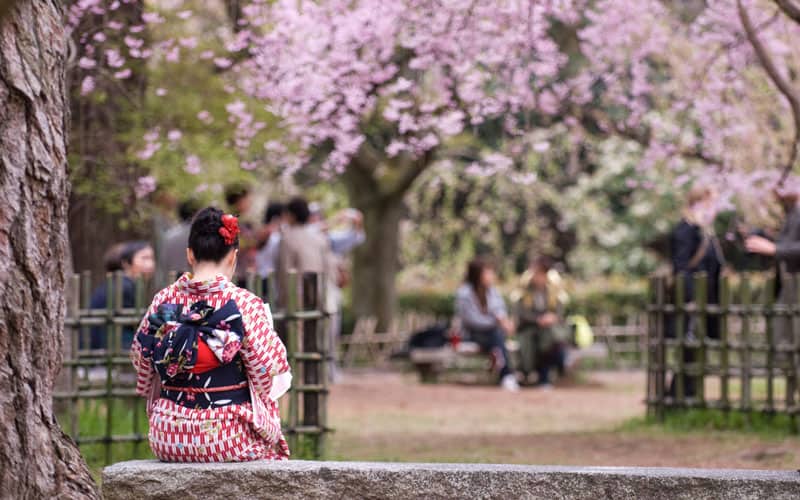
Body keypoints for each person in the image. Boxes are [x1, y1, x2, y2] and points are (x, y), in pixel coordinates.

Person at [131, 207, 292, 462]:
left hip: (168, 436)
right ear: (233, 257)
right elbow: (268, 373)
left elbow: (141, 361)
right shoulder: (243, 303)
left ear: (190, 254)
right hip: (225, 436)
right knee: (272, 450)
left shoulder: (163, 300)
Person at [668, 185, 724, 398]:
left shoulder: (704, 232)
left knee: (695, 351)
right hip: (692, 299)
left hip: (705, 298)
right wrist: (691, 298)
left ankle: (684, 394)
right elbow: (681, 268)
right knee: (689, 350)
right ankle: (679, 395)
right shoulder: (686, 230)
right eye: (711, 203)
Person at [746, 186, 800, 390]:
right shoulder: (792, 212)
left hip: (796, 287)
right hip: (789, 286)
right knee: (783, 342)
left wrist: (775, 249)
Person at [455, 258, 519, 391]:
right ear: (477, 274)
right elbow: (471, 320)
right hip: (471, 334)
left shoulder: (492, 292)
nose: (491, 275)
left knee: (497, 336)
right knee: (497, 335)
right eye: (487, 272)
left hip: (491, 334)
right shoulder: (464, 294)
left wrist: (504, 321)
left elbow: (499, 310)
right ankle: (507, 375)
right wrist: (496, 322)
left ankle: (505, 372)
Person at [89, 241, 155, 351]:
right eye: (144, 258)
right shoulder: (125, 287)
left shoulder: (118, 283)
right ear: (126, 263)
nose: (150, 264)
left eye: (151, 259)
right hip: (108, 349)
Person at [515, 256, 568, 388]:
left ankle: (544, 376)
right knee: (537, 341)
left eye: (539, 273)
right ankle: (532, 374)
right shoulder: (524, 290)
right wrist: (538, 319)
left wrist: (552, 317)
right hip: (528, 328)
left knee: (549, 340)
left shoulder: (553, 290)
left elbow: (560, 311)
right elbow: (520, 312)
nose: (536, 276)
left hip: (548, 330)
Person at [276, 197, 336, 308]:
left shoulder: (287, 238)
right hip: (320, 293)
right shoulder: (319, 237)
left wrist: (283, 300)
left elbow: (285, 270)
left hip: (297, 297)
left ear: (292, 215)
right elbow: (330, 267)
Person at [157, 199, 200, 280]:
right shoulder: (201, 234)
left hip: (175, 279)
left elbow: (164, 262)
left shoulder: (169, 235)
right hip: (198, 278)